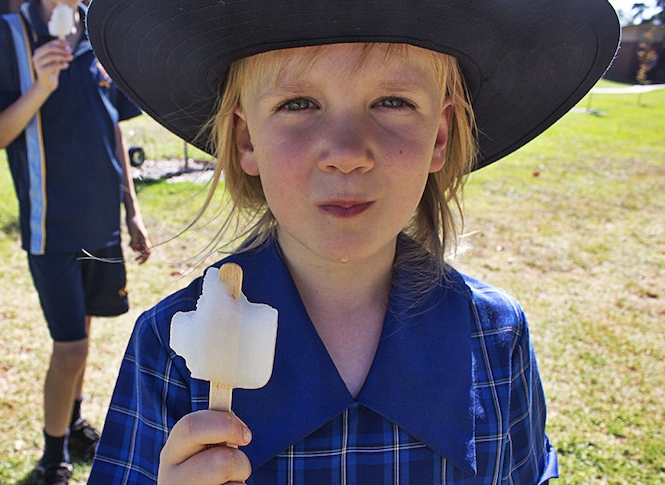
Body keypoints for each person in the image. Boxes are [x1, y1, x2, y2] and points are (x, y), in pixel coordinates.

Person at [83, 1, 619, 484]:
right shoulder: (170, 351)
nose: (346, 152)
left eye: (392, 100)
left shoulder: (496, 337)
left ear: (440, 135)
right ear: (247, 139)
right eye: (297, 104)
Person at [0, 1, 152, 483]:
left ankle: (72, 425)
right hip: (51, 227)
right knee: (70, 345)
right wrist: (42, 85)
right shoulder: (10, 34)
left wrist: (131, 210)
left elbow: (112, 124)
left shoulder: (98, 30)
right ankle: (53, 459)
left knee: (85, 334)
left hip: (101, 224)